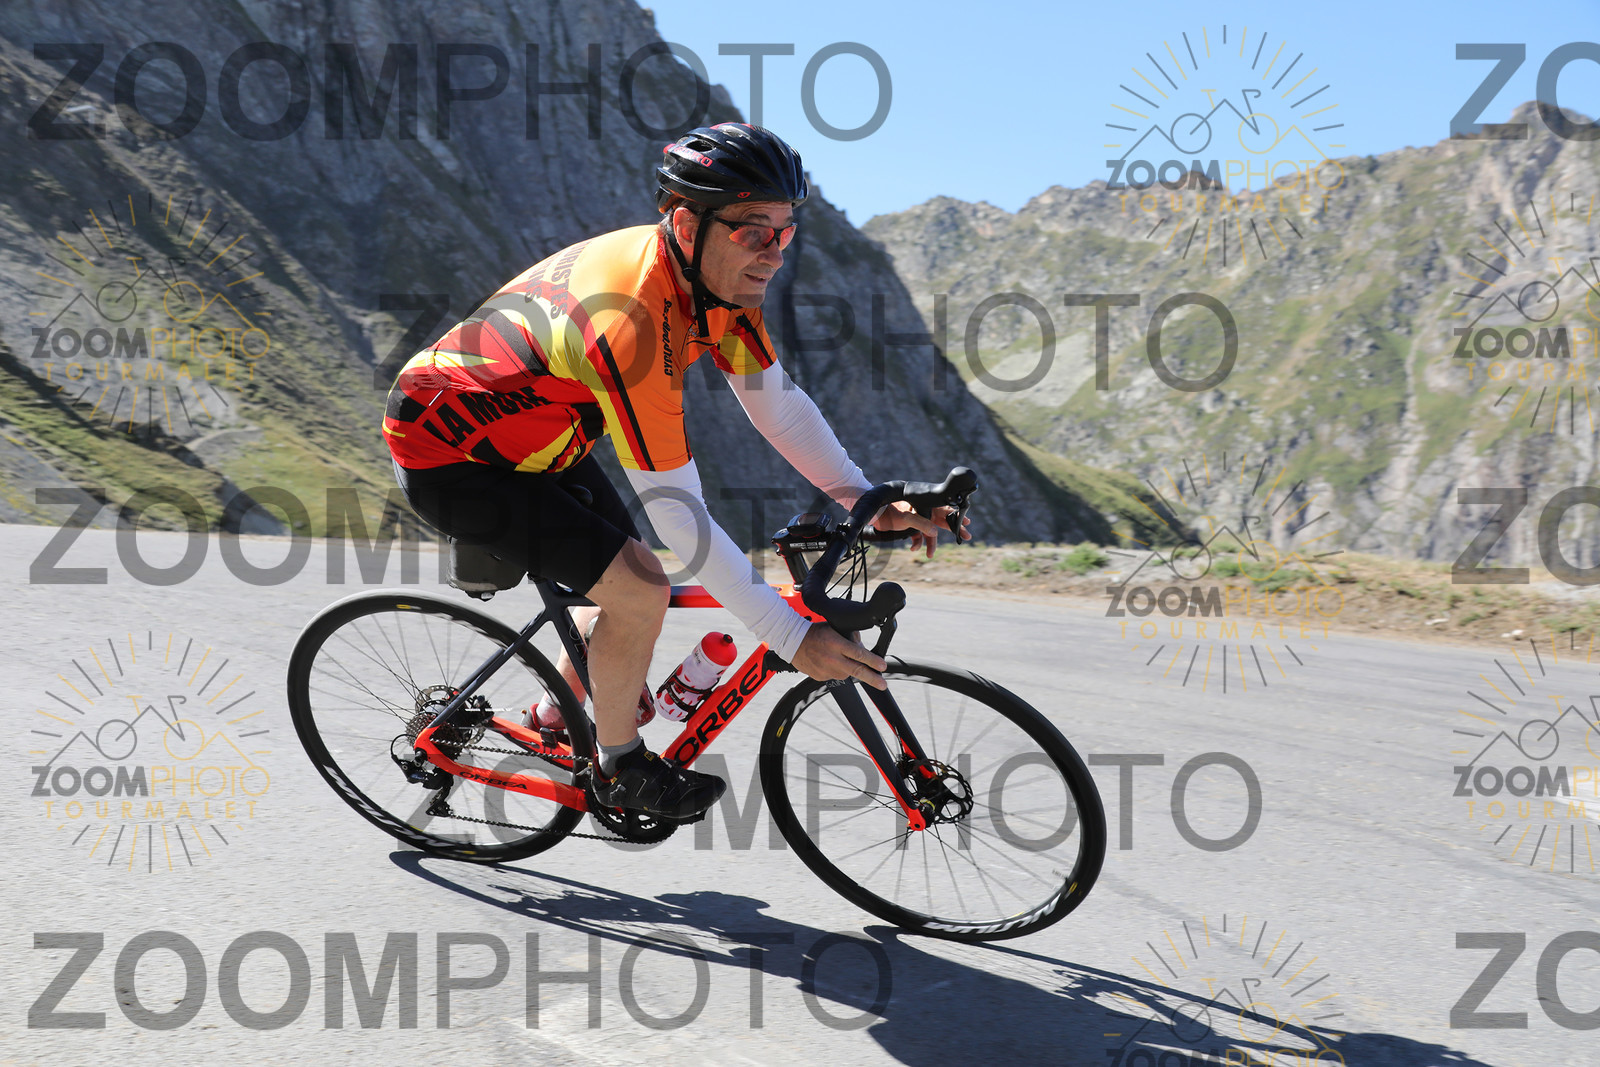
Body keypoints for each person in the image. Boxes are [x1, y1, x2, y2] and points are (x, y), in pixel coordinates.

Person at [383, 122, 968, 819]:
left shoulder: (717, 288)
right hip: (453, 454)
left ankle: (550, 717)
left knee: (616, 583)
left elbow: (778, 409)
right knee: (641, 588)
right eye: (754, 231)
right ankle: (620, 769)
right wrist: (789, 635)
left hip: (541, 438)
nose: (774, 253)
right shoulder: (633, 318)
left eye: (785, 232)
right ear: (688, 225)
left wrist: (864, 498)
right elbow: (680, 518)